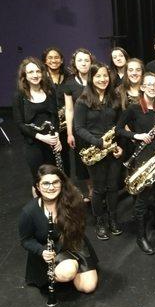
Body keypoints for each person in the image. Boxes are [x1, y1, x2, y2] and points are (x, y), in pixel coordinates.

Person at [117, 72, 155, 255]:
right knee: (142, 200)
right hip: (143, 158)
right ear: (142, 87)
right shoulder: (133, 108)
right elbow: (118, 129)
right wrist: (136, 135)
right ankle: (141, 236)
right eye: (149, 85)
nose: (152, 88)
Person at [19, 164, 98, 293]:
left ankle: (72, 266)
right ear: (38, 187)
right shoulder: (29, 212)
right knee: (67, 272)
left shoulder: (73, 201)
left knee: (88, 287)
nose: (51, 187)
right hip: (49, 251)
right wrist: (41, 251)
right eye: (46, 184)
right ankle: (62, 272)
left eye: (55, 182)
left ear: (61, 184)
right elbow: (26, 240)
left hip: (73, 244)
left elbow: (81, 228)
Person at [74, 63, 124, 240]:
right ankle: (100, 222)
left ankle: (113, 219)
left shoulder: (115, 99)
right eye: (98, 76)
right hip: (94, 150)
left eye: (105, 76)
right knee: (98, 189)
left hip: (112, 148)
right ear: (91, 78)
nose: (102, 79)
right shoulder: (83, 101)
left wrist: (118, 145)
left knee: (113, 187)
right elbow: (78, 128)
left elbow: (119, 126)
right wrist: (98, 142)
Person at [13, 57, 61, 187]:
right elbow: (20, 124)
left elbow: (55, 117)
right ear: (24, 75)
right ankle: (40, 206)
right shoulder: (19, 96)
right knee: (38, 181)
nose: (35, 75)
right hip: (33, 144)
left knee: (53, 178)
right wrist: (41, 137)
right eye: (31, 72)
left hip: (51, 143)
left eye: (38, 71)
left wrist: (57, 136)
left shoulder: (49, 92)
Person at [64, 48, 94, 201]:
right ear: (74, 63)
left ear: (91, 62)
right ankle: (91, 190)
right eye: (80, 60)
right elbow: (69, 110)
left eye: (86, 60)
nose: (83, 63)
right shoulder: (69, 83)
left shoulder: (98, 78)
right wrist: (69, 133)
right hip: (80, 129)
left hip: (97, 128)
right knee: (84, 162)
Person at [41, 47, 70, 175]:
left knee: (65, 154)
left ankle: (66, 182)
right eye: (50, 58)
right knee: (49, 156)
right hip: (47, 122)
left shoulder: (68, 76)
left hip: (64, 123)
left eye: (57, 57)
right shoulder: (41, 77)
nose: (54, 60)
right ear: (45, 61)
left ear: (62, 60)